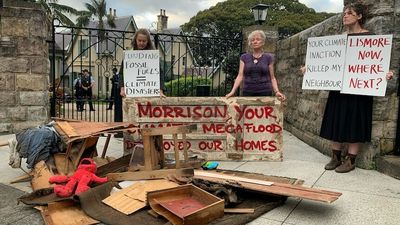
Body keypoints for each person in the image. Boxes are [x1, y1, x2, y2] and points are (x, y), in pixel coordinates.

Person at [300, 2, 394, 173]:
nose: (345, 16)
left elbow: (375, 61)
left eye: (349, 13)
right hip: (339, 87)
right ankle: (335, 157)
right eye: (344, 13)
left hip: (359, 88)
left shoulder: (370, 37)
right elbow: (326, 61)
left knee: (355, 121)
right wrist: (310, 68)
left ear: (359, 16)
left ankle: (351, 160)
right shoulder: (338, 39)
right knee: (336, 118)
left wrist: (384, 74)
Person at [225, 30, 286, 101]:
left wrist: (277, 91)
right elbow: (240, 76)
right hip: (248, 92)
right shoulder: (244, 57)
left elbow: (272, 77)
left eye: (258, 39)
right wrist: (232, 91)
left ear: (263, 42)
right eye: (252, 40)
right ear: (250, 43)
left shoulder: (268, 58)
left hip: (265, 92)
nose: (255, 41)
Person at [119, 28, 166, 98]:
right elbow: (122, 73)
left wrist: (160, 90)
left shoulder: (153, 56)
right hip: (131, 94)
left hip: (150, 93)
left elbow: (160, 73)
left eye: (144, 41)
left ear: (148, 41)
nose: (141, 43)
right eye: (139, 40)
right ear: (135, 40)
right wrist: (122, 89)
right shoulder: (129, 55)